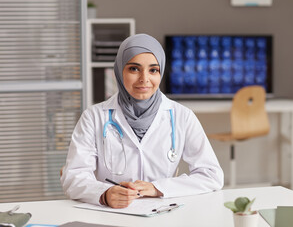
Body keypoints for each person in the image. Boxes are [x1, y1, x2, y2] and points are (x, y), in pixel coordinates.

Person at [61, 34, 224, 209]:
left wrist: (157, 188)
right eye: (134, 69)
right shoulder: (94, 116)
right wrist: (104, 194)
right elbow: (73, 177)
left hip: (162, 213)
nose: (144, 79)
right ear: (119, 70)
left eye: (153, 70)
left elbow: (211, 175)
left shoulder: (182, 116)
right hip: (111, 214)